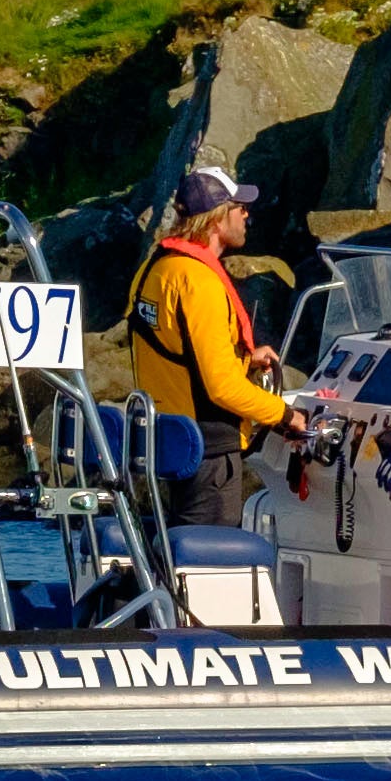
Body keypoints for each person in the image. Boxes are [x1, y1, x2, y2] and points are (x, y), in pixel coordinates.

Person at [124, 164, 288, 528]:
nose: (246, 214)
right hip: (208, 450)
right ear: (217, 218)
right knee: (208, 568)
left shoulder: (158, 266)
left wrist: (243, 357)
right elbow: (221, 387)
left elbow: (174, 344)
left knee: (181, 550)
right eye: (239, 207)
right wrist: (285, 416)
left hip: (170, 439)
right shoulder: (199, 281)